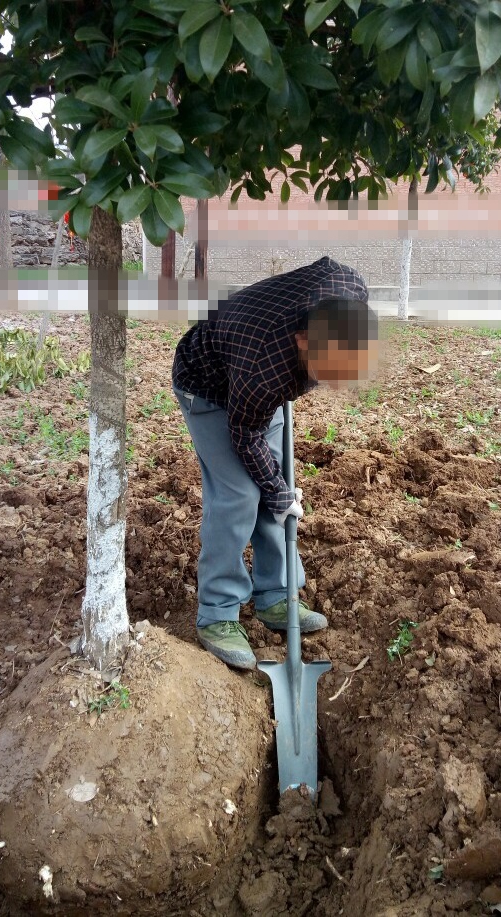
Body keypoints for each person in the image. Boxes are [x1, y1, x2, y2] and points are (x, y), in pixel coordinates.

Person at [172, 256, 378, 670]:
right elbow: (245, 434)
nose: (338, 382)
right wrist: (278, 490)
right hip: (211, 387)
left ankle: (275, 595)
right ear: (302, 341)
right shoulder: (266, 366)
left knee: (274, 486)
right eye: (330, 370)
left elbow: (328, 266)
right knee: (240, 495)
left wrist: (279, 489)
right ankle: (217, 613)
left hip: (258, 380)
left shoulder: (349, 295)